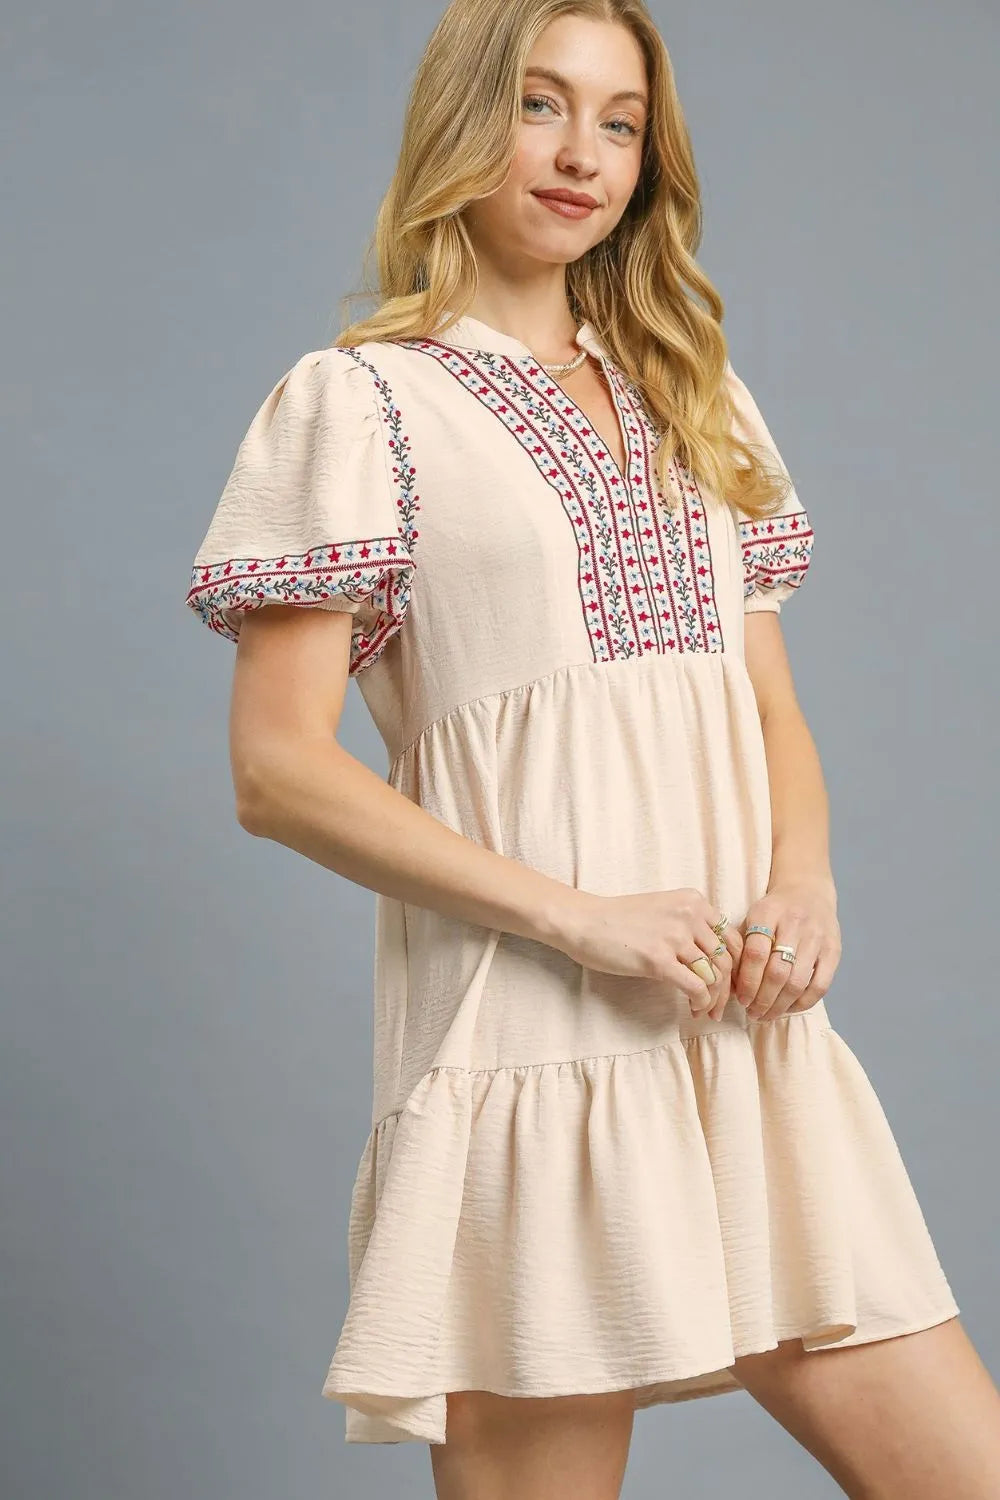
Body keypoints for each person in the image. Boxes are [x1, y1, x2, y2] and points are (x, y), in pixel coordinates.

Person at [184, 2, 1000, 1496]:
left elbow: (764, 702)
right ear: (462, 121)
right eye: (541, 105)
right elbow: (276, 770)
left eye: (620, 123)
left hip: (742, 1032)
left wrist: (806, 882)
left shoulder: (695, 391)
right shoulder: (360, 403)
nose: (583, 156)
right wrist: (580, 918)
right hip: (526, 1044)